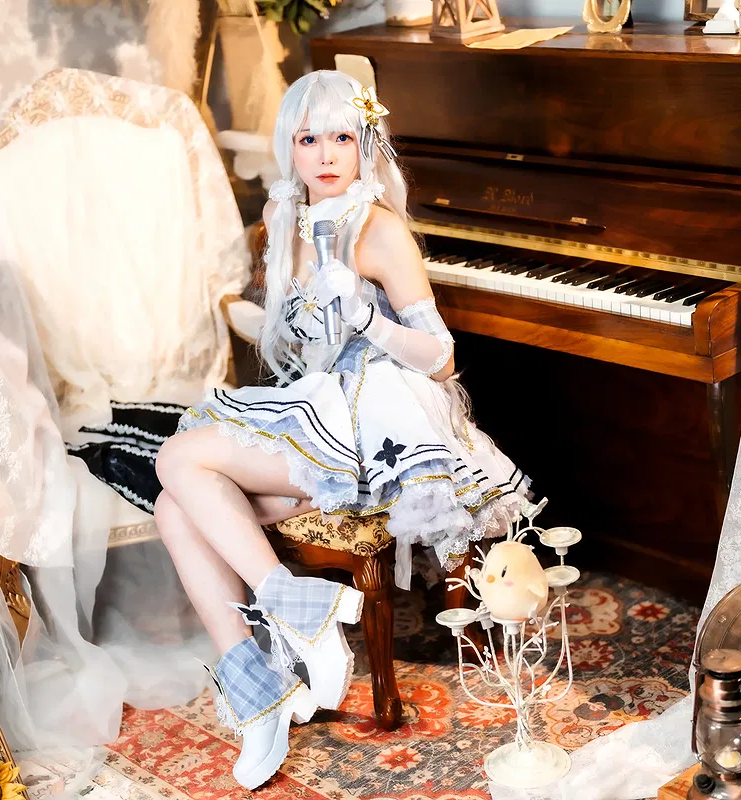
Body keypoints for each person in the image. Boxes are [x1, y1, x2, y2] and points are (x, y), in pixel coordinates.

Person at [151, 69, 531, 790]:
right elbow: (295, 344)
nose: (326, 155)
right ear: (289, 147)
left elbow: (443, 358)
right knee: (175, 506)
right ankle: (259, 690)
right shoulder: (284, 217)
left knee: (178, 461)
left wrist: (365, 318)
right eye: (308, 139)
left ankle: (295, 615)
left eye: (342, 138)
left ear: (365, 144)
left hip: (378, 425)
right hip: (319, 406)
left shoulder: (379, 230)